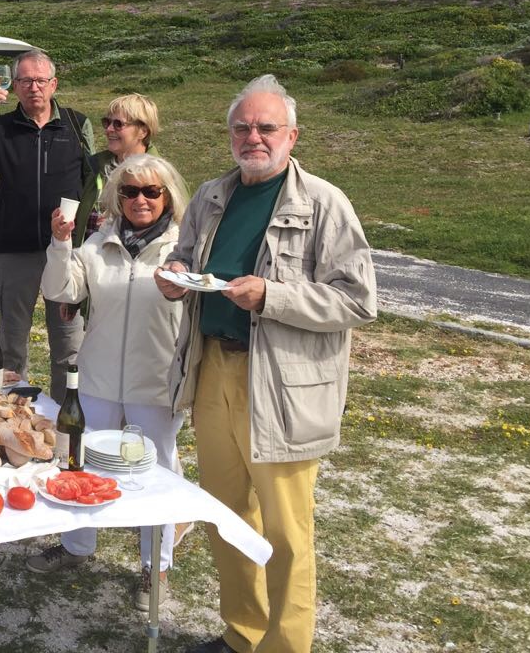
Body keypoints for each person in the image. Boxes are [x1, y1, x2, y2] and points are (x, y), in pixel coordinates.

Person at [156, 75, 377, 653]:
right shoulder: (210, 195)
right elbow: (186, 257)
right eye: (242, 127)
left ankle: (284, 646)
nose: (253, 137)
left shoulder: (324, 203)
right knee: (225, 516)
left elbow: (357, 299)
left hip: (280, 385)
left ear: (292, 135)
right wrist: (175, 279)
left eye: (266, 127)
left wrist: (272, 296)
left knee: (285, 531)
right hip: (213, 372)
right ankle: (241, 633)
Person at [27, 154, 191, 612]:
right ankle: (77, 544)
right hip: (97, 379)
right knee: (80, 462)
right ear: (117, 197)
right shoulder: (99, 244)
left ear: (168, 197)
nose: (140, 200)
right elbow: (61, 290)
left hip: (156, 384)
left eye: (151, 192)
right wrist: (60, 244)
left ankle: (154, 565)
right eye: (130, 191)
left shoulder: (184, 250)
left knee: (154, 476)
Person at [0, 49, 94, 401]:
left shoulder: (77, 125)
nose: (34, 87)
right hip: (14, 250)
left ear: (54, 84)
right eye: (25, 81)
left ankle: (65, 423)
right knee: (10, 347)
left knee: (68, 349)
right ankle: (10, 418)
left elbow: (94, 181)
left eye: (40, 80)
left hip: (66, 253)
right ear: (14, 87)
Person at [73, 93, 160, 244]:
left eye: (118, 124)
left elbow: (178, 227)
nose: (109, 129)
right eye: (107, 122)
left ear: (142, 131)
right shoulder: (92, 167)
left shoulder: (161, 175)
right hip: (89, 259)